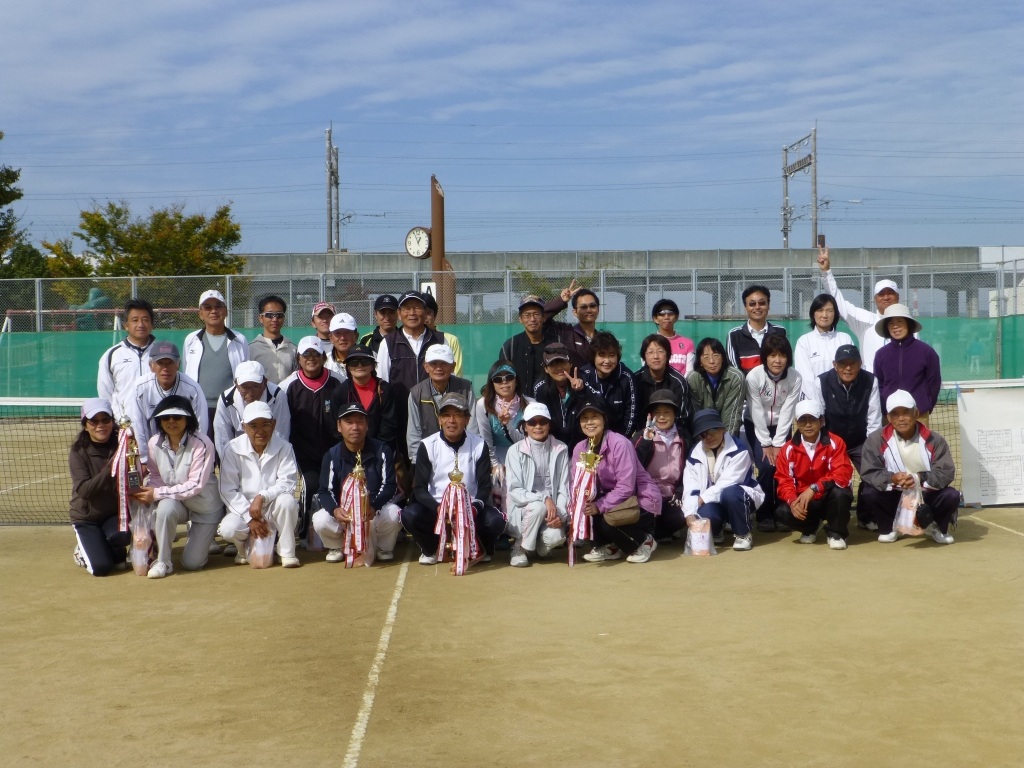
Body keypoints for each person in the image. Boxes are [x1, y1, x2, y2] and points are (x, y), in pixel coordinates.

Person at [401, 393, 506, 565]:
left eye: (457, 415)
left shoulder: (479, 445)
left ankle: (479, 547)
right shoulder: (427, 445)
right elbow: (419, 488)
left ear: (467, 419)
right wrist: (439, 508)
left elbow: (484, 486)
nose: (451, 421)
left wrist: (472, 509)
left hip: (470, 509)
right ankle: (431, 548)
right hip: (436, 509)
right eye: (446, 415)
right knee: (409, 515)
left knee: (496, 521)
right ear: (439, 419)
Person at [132, 395, 223, 578]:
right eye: (165, 417)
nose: (171, 421)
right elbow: (156, 475)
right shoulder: (154, 443)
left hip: (204, 508)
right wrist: (145, 492)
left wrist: (156, 493)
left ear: (188, 419)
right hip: (177, 502)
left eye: (177, 417)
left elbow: (195, 485)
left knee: (192, 564)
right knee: (165, 509)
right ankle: (163, 562)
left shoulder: (203, 443)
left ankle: (197, 540)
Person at [859, 390, 959, 545]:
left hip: (925, 493)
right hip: (895, 492)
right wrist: (892, 478)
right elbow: (870, 472)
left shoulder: (935, 440)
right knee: (869, 491)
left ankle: (937, 527)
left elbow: (945, 472)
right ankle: (889, 527)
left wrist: (919, 477)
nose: (901, 418)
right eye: (895, 414)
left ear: (916, 413)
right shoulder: (875, 440)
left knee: (951, 495)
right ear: (888, 418)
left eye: (906, 412)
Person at [574, 398, 662, 564]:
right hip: (609, 498)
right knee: (584, 512)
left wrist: (599, 505)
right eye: (584, 418)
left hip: (640, 499)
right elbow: (577, 482)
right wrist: (578, 504)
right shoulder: (580, 448)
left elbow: (626, 487)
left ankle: (644, 541)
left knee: (607, 521)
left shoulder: (620, 443)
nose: (589, 422)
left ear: (604, 419)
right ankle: (609, 546)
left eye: (594, 417)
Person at [313, 403, 402, 563]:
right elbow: (325, 491)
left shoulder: (382, 450)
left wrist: (374, 506)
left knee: (394, 513)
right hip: (345, 515)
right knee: (320, 519)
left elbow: (389, 485)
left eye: (359, 421)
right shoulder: (331, 455)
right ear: (339, 426)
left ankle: (383, 547)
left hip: (372, 512)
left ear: (367, 425)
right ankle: (336, 546)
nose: (355, 427)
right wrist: (335, 510)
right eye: (349, 422)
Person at [218, 401, 301, 567]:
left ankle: (286, 552)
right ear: (244, 427)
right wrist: (249, 518)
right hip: (244, 509)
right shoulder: (232, 448)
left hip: (272, 505)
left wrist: (262, 497)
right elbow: (228, 490)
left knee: (287, 502)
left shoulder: (284, 447)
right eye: (253, 426)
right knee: (228, 529)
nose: (260, 431)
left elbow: (288, 483)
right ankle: (244, 551)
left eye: (265, 424)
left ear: (274, 424)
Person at [278, 336, 345, 538]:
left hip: (332, 450)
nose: (311, 358)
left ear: (324, 357)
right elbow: (282, 424)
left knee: (335, 487)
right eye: (306, 354)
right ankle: (305, 531)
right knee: (311, 485)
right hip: (302, 451)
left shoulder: (338, 382)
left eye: (316, 354)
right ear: (298, 358)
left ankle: (333, 530)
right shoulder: (287, 386)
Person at [814, 344, 882, 529]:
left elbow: (874, 417)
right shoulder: (821, 382)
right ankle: (819, 516)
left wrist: (871, 448)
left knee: (873, 472)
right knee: (824, 477)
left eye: (853, 363)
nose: (848, 368)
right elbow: (819, 416)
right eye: (843, 364)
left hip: (860, 441)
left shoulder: (871, 381)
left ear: (860, 364)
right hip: (832, 442)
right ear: (835, 365)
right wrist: (825, 444)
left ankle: (865, 517)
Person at [774, 400, 854, 550]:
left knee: (841, 494)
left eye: (812, 419)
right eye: (802, 420)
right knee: (782, 512)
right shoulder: (788, 449)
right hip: (805, 501)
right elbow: (784, 480)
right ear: (797, 423)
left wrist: (815, 487)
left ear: (821, 421)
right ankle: (811, 527)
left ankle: (836, 533)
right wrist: (792, 501)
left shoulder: (836, 442)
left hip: (829, 495)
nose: (808, 424)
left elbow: (842, 473)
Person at [681, 409, 764, 552]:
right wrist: (689, 513)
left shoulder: (739, 449)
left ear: (722, 429)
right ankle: (716, 530)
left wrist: (702, 498)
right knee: (705, 515)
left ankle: (743, 534)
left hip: (740, 497)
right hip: (710, 500)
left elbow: (728, 482)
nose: (708, 437)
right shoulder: (694, 454)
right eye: (702, 434)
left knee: (730, 493)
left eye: (712, 430)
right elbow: (691, 487)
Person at [744, 334, 802, 531]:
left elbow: (788, 410)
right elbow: (756, 410)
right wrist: (766, 443)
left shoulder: (795, 377)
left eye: (782, 355)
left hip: (781, 427)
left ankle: (782, 513)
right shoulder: (754, 377)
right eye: (772, 355)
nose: (777, 360)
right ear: (765, 357)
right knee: (766, 466)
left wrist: (778, 443)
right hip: (756, 425)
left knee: (784, 467)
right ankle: (764, 514)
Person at [69, 398, 130, 576]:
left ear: (112, 421)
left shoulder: (123, 442)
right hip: (87, 518)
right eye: (93, 421)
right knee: (101, 568)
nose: (100, 425)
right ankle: (83, 550)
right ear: (85, 425)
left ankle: (106, 546)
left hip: (112, 514)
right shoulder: (78, 451)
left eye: (105, 420)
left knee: (122, 537)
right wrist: (112, 467)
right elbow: (84, 490)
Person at [816, 245, 900, 373]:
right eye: (881, 294)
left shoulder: (908, 325)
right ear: (875, 299)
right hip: (872, 384)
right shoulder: (866, 321)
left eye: (890, 293)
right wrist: (826, 273)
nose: (886, 297)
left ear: (898, 297)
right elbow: (839, 302)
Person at [504, 403, 570, 567]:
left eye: (543, 422)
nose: (538, 426)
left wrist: (561, 515)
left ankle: (534, 547)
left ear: (549, 425)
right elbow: (515, 490)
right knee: (538, 507)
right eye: (532, 422)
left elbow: (564, 487)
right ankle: (519, 547)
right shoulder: (514, 450)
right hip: (524, 509)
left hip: (551, 511)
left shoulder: (561, 448)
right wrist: (544, 498)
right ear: (525, 427)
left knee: (556, 537)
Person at [125, 340, 207, 465]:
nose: (165, 368)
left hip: (185, 449)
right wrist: (145, 459)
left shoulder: (192, 389)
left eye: (170, 363)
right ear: (151, 366)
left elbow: (200, 425)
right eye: (160, 363)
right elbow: (139, 425)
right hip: (153, 449)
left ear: (178, 365)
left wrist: (195, 455)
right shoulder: (140, 388)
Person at [182, 289, 250, 429]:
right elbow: (186, 373)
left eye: (218, 306)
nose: (213, 311)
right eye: (207, 307)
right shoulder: (191, 340)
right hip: (199, 408)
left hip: (230, 407)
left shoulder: (240, 340)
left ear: (226, 311)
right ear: (200, 314)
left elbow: (245, 375)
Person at [407, 344, 478, 464]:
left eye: (444, 363)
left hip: (463, 453)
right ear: (426, 367)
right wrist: (418, 461)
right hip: (429, 456)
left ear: (453, 366)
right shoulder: (416, 393)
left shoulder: (466, 388)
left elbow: (472, 426)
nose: (439, 368)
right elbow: (414, 432)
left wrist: (472, 455)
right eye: (433, 363)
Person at [873, 304, 942, 424]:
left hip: (918, 414)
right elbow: (879, 384)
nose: (895, 326)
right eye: (891, 323)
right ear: (887, 328)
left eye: (899, 321)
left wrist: (926, 406)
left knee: (919, 438)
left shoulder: (926, 351)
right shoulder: (881, 354)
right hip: (891, 414)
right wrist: (885, 408)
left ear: (908, 324)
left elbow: (934, 382)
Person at [634, 390, 687, 543]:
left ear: (675, 414)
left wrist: (680, 491)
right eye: (657, 413)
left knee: (680, 517)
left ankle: (659, 533)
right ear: (650, 415)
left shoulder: (684, 437)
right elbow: (634, 463)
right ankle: (649, 534)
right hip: (647, 494)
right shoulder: (641, 435)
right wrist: (646, 440)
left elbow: (689, 469)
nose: (662, 417)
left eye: (667, 412)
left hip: (671, 495)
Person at [213, 360, 290, 460]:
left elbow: (281, 433)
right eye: (244, 387)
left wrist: (272, 460)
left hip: (271, 452)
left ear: (265, 382)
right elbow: (222, 437)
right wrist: (229, 461)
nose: (250, 393)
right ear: (236, 384)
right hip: (238, 453)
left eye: (255, 386)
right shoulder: (226, 400)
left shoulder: (278, 396)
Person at [97, 298, 157, 420]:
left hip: (158, 424)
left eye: (145, 320)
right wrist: (117, 420)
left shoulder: (162, 354)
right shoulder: (112, 355)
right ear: (126, 325)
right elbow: (105, 394)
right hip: (125, 425)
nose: (140, 324)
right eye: (135, 320)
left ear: (152, 325)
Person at [375, 291, 443, 395]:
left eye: (417, 308)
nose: (412, 313)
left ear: (425, 312)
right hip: (400, 405)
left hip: (434, 404)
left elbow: (449, 375)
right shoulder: (388, 342)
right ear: (399, 314)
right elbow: (382, 381)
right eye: (407, 308)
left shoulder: (439, 339)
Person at [334, 345, 401, 452]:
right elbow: (336, 427)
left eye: (365, 361)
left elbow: (389, 425)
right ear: (348, 367)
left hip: (380, 450)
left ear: (373, 366)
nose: (359, 365)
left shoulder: (385, 389)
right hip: (350, 451)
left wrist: (378, 451)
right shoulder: (340, 392)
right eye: (354, 362)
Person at [633, 334, 695, 441]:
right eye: (650, 352)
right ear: (644, 357)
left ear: (668, 355)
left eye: (660, 351)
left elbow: (682, 417)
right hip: (643, 435)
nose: (656, 356)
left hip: (672, 436)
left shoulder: (678, 382)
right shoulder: (636, 380)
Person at [794, 294, 853, 402]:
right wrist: (820, 402)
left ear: (835, 314)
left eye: (829, 310)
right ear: (813, 314)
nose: (824, 315)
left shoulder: (845, 339)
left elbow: (851, 370)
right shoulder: (804, 341)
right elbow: (806, 378)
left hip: (841, 401)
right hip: (814, 402)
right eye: (820, 310)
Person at [474, 361, 532, 471]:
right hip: (497, 457)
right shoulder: (483, 405)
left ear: (516, 380)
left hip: (525, 457)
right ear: (492, 383)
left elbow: (528, 440)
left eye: (509, 377)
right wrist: (495, 465)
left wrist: (507, 425)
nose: (504, 382)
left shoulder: (530, 404)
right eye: (498, 379)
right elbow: (486, 439)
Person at [579, 331, 638, 438]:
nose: (607, 361)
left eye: (611, 355)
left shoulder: (627, 377)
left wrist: (620, 440)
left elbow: (631, 415)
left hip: (619, 437)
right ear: (593, 357)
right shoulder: (583, 375)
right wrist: (577, 391)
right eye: (602, 355)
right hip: (589, 436)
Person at [687, 337, 746, 438]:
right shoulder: (693, 378)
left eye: (716, 355)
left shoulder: (735, 377)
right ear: (700, 361)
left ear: (723, 357)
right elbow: (696, 415)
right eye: (706, 357)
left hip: (726, 433)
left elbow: (732, 415)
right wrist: (704, 441)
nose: (711, 361)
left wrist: (726, 442)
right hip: (702, 435)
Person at [531, 342, 586, 448]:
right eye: (553, 364)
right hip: (552, 445)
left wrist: (580, 392)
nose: (559, 367)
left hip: (580, 443)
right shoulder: (540, 388)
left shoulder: (583, 382)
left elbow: (593, 411)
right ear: (546, 369)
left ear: (570, 364)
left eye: (562, 362)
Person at [499, 294, 558, 392]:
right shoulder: (510, 346)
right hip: (520, 399)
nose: (532, 319)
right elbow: (503, 376)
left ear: (544, 317)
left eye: (536, 314)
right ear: (520, 319)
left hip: (550, 399)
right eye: (527, 315)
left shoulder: (556, 343)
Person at [727, 284, 788, 375]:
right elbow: (734, 370)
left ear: (768, 305)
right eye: (752, 304)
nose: (757, 307)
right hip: (745, 384)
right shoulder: (734, 335)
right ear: (745, 307)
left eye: (762, 303)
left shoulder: (780, 332)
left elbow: (785, 361)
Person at [543, 284, 602, 370]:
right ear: (575, 312)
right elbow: (541, 318)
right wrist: (561, 301)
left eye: (592, 306)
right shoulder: (566, 332)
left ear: (598, 309)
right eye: (583, 307)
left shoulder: (602, 339)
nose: (589, 310)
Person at [249, 295, 297, 385]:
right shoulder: (250, 349)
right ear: (260, 318)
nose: (275, 319)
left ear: (284, 318)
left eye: (279, 315)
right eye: (269, 315)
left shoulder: (293, 349)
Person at [421, 291, 465, 377]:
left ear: (435, 315)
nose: (425, 317)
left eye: (428, 313)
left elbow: (457, 372)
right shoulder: (411, 340)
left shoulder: (451, 340)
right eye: (422, 313)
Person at [650, 298, 695, 377]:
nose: (666, 317)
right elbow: (647, 370)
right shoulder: (649, 343)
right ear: (655, 319)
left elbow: (689, 373)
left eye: (670, 313)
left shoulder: (688, 343)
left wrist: (679, 383)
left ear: (676, 317)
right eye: (661, 314)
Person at [325, 312, 359, 380]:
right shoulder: (324, 362)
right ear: (331, 338)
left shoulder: (369, 359)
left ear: (356, 336)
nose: (342, 338)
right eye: (338, 333)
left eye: (347, 332)